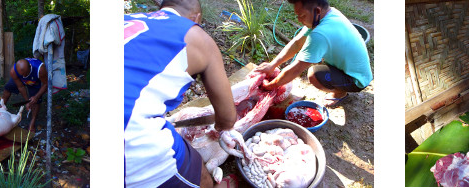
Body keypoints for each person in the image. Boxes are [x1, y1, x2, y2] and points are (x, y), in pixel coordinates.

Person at [123, 0, 243, 187]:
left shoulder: (128, 19)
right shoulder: (196, 35)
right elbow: (228, 119)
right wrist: (220, 130)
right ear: (196, 18)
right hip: (132, 138)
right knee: (200, 174)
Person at [254, 0, 372, 107]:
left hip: (357, 80)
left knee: (314, 75)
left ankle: (340, 93)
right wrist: (272, 65)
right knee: (318, 66)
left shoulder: (321, 33)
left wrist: (269, 86)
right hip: (351, 68)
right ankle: (340, 84)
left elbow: (296, 69)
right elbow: (296, 44)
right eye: (298, 16)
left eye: (302, 16)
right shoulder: (327, 15)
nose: (299, 20)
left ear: (317, 11)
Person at [2, 58, 48, 132]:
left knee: (35, 101)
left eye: (25, 74)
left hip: (34, 81)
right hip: (20, 81)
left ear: (30, 67)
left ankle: (32, 121)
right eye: (21, 75)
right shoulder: (13, 71)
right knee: (8, 87)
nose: (24, 76)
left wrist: (36, 97)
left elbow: (46, 84)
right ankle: (2, 106)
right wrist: (27, 101)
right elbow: (21, 87)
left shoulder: (40, 69)